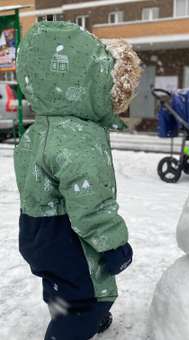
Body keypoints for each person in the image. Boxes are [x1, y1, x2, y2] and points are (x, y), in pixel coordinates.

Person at [14, 21, 141, 339]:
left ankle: (71, 315)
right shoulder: (78, 138)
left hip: (35, 229)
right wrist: (113, 244)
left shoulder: (36, 131)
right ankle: (74, 326)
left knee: (61, 285)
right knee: (88, 296)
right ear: (90, 84)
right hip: (67, 234)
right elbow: (90, 203)